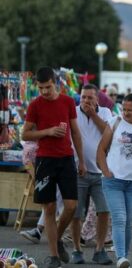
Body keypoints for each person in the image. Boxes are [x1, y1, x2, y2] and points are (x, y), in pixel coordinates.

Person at [21, 67, 86, 268]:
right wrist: (48, 131)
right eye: (41, 88)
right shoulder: (35, 105)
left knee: (72, 206)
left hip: (66, 159)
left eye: (48, 87)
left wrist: (81, 160)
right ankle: (54, 256)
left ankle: (56, 237)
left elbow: (75, 132)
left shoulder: (67, 102)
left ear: (55, 83)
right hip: (45, 161)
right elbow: (25, 135)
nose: (45, 92)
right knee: (48, 208)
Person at [96, 93, 132, 268]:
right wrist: (105, 171)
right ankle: (121, 256)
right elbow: (101, 149)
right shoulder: (115, 122)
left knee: (129, 222)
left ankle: (124, 255)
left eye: (130, 110)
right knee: (119, 218)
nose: (126, 113)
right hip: (113, 181)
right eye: (123, 109)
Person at [70, 84, 113, 265]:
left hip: (100, 172)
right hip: (78, 170)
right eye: (84, 97)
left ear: (97, 99)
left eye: (90, 98)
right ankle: (76, 250)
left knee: (104, 211)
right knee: (76, 213)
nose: (86, 101)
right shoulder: (72, 112)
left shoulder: (105, 113)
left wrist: (93, 114)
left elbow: (108, 133)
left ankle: (99, 249)